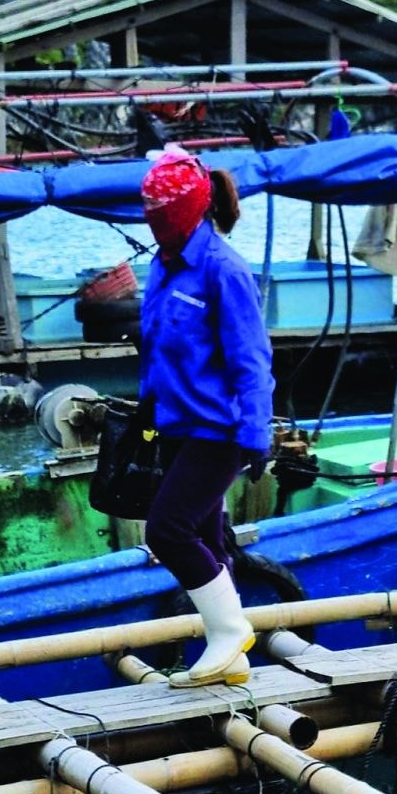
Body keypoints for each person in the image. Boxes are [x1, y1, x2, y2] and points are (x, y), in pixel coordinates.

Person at [138, 148, 275, 688]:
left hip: (218, 429)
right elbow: (156, 346)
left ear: (189, 210)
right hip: (174, 424)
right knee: (206, 533)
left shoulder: (222, 269)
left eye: (161, 214)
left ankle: (228, 631)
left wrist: (255, 434)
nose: (155, 224)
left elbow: (251, 359)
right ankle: (231, 660)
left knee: (167, 530)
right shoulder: (161, 263)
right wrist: (147, 410)